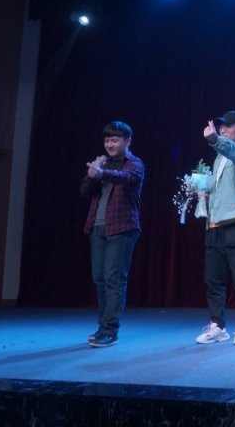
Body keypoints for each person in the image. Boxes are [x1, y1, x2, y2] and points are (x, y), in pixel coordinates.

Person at [194, 111, 235, 346]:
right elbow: (219, 188)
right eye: (221, 126)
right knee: (214, 281)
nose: (222, 129)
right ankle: (217, 326)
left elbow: (233, 151)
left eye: (228, 126)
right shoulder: (218, 158)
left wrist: (214, 140)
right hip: (214, 225)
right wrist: (204, 192)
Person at [80, 120, 145, 348]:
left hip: (122, 228)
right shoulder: (103, 163)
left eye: (114, 140)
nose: (109, 144)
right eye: (107, 140)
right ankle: (102, 326)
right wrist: (92, 174)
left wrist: (102, 172)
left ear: (128, 141)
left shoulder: (134, 164)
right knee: (99, 278)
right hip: (98, 227)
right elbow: (85, 191)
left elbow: (125, 178)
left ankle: (110, 330)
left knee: (113, 279)